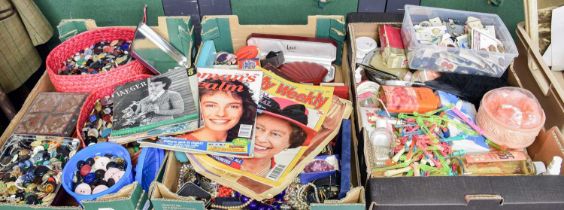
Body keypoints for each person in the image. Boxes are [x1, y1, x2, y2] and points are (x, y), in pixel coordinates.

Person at [240, 96, 316, 177]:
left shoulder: (288, 177)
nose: (262, 139)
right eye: (257, 128)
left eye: (275, 134)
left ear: (291, 141)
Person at [177, 78, 257, 142]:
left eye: (233, 106)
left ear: (244, 110)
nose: (221, 114)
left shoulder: (243, 144)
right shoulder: (182, 142)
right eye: (211, 105)